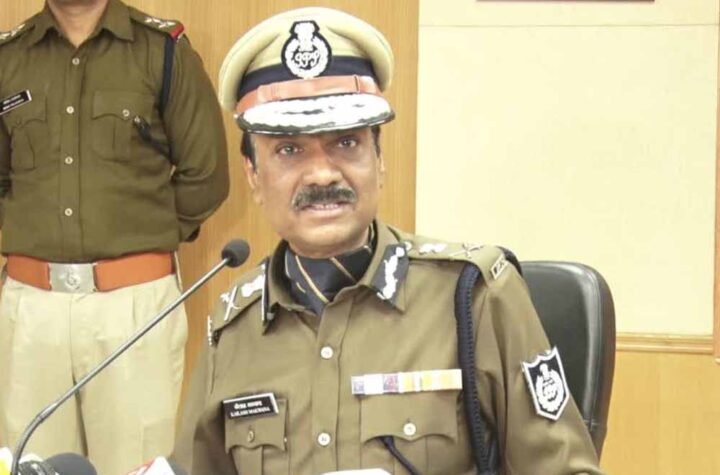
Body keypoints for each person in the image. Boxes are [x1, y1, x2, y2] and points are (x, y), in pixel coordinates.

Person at [173, 7, 602, 475]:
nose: (322, 174)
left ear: (379, 161)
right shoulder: (231, 331)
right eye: (289, 150)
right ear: (253, 176)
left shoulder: (474, 298)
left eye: (346, 143)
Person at [0, 0, 229, 473]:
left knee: (134, 467)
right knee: (33, 465)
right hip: (30, 313)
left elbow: (206, 175)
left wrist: (141, 235)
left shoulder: (162, 51)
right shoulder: (9, 58)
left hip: (134, 306)